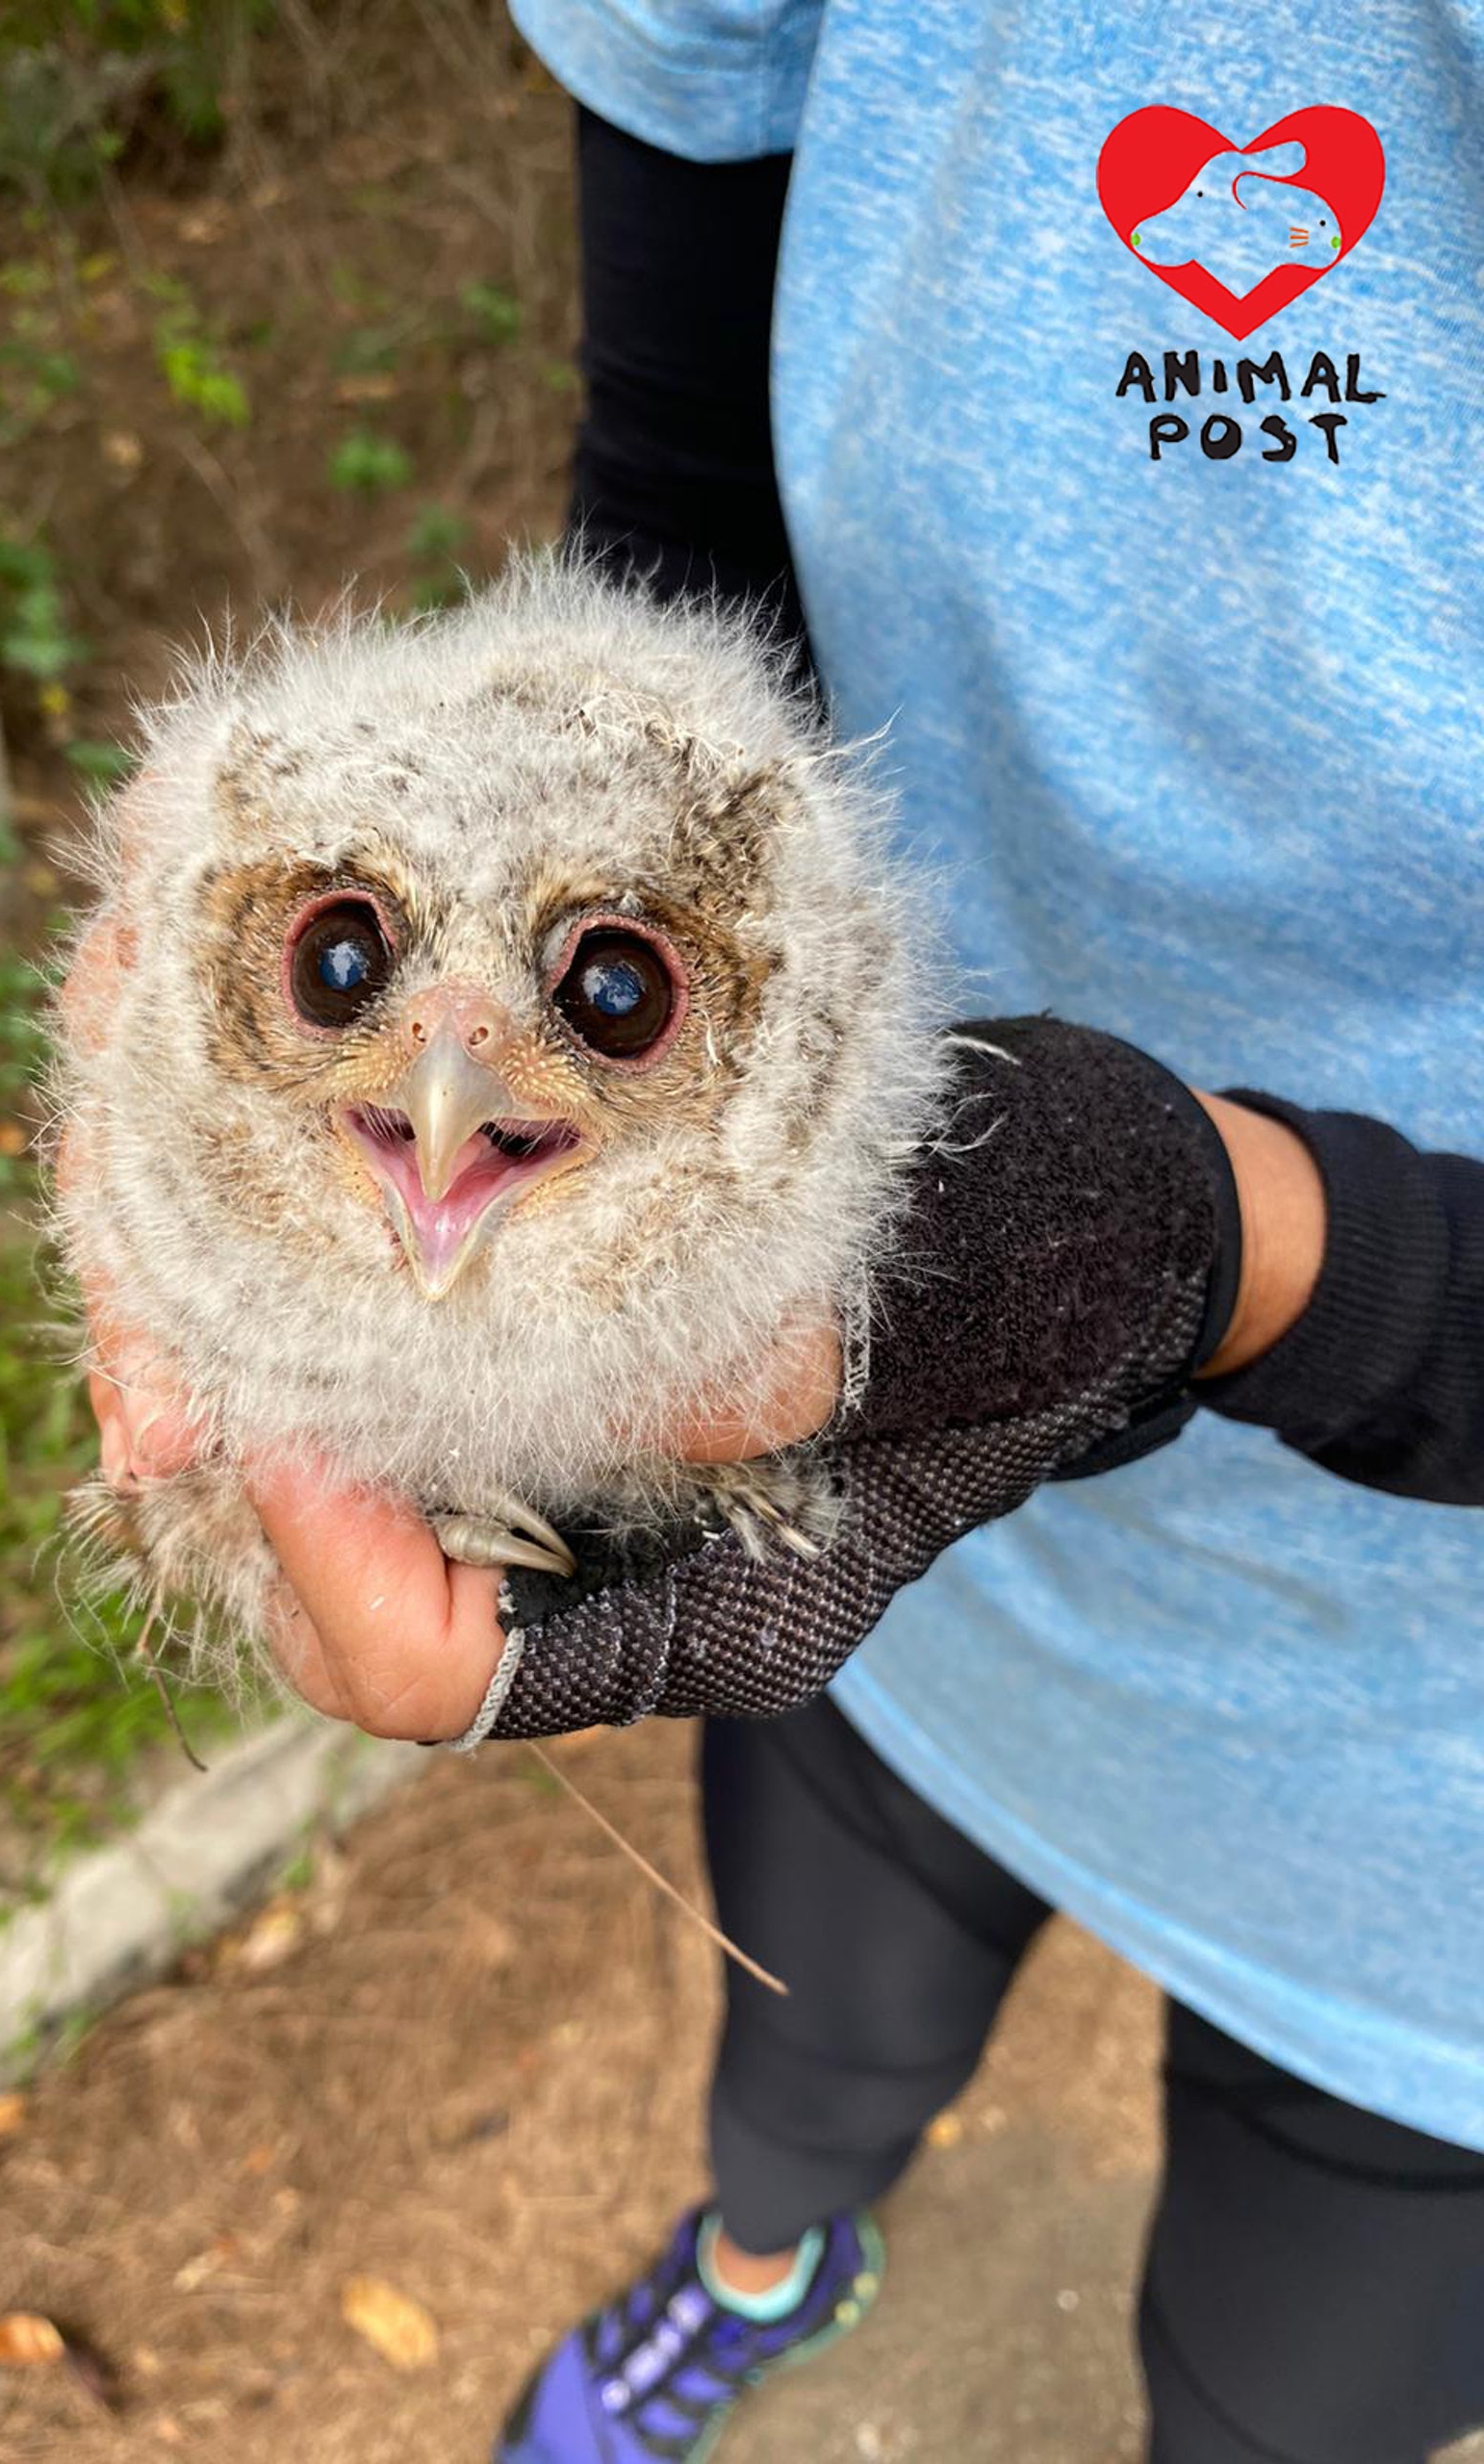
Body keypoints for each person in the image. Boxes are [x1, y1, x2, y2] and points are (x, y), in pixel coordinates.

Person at [85, 8, 1484, 2456]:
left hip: (1431, 1812)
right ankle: (765, 2252)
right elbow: (679, 549)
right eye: (341, 980)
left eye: (587, 1006)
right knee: (804, 2064)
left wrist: (1223, 1246)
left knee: (1286, 2402)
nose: (435, 1074)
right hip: (858, 1482)